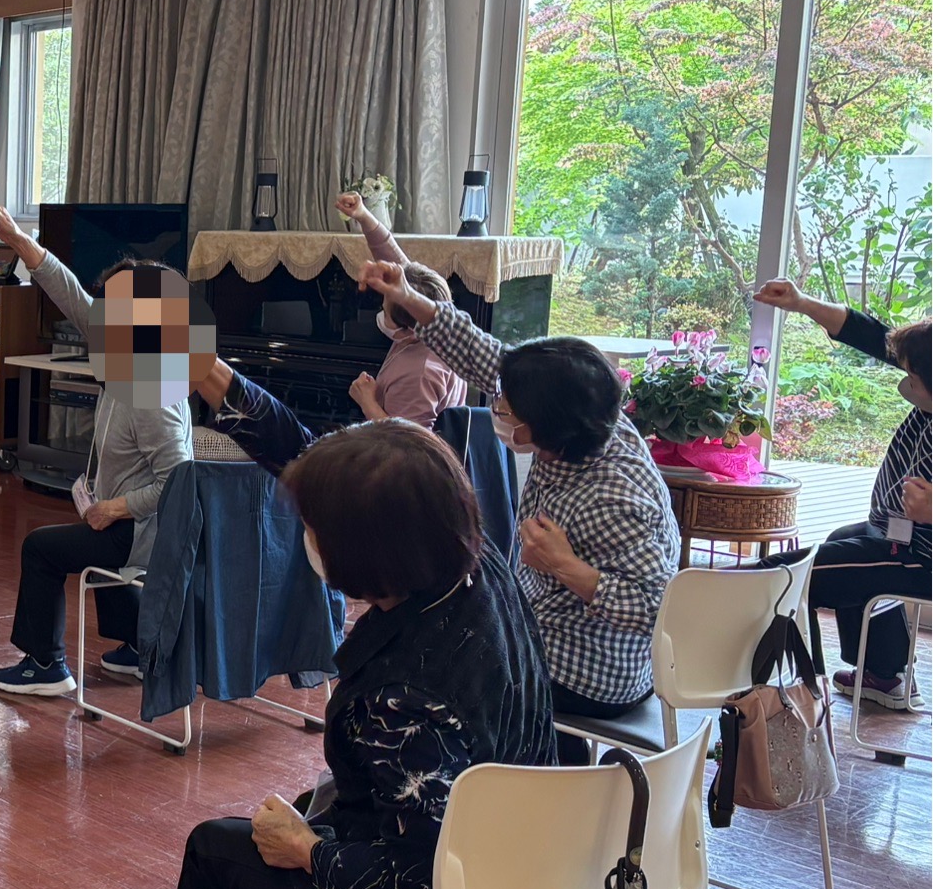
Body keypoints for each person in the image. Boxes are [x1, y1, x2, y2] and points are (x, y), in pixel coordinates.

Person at [126, 421, 556, 889]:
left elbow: (421, 871)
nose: (309, 537)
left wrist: (311, 853)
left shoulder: (400, 698)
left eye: (316, 526)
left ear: (365, 549)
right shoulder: (484, 573)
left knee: (216, 853)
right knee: (332, 803)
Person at [369, 260, 680, 764]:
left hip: (591, 671)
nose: (498, 411)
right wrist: (410, 298)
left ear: (544, 427)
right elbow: (483, 354)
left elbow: (659, 609)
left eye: (506, 410)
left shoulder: (614, 495)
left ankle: (480, 787)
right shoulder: (589, 414)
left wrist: (568, 567)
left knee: (428, 665)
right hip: (546, 628)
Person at [0, 204, 195, 695]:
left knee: (41, 548)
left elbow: (179, 480)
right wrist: (15, 238)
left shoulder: (152, 390)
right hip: (132, 524)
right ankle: (141, 649)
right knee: (96, 533)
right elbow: (66, 288)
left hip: (146, 532)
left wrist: (114, 508)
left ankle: (45, 665)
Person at [754, 281, 930, 709]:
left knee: (783, 577)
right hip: (895, 534)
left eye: (912, 378)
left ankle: (799, 693)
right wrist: (801, 302)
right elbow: (873, 336)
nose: (905, 383)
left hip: (921, 558)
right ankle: (884, 674)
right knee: (843, 540)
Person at [333, 192, 468, 428]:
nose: (381, 310)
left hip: (393, 451)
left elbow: (411, 442)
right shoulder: (439, 325)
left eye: (385, 310)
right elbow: (393, 260)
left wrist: (367, 402)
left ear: (408, 329)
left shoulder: (419, 373)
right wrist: (363, 216)